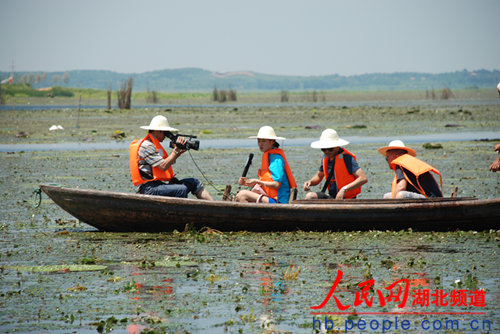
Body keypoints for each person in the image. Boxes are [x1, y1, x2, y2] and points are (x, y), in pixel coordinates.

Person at [129, 115, 213, 200]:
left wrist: (179, 152)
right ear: (158, 131)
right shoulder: (147, 146)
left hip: (158, 185)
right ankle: (180, 212)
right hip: (149, 189)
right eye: (165, 132)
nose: (166, 136)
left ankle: (214, 206)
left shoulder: (154, 145)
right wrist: (175, 151)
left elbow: (166, 162)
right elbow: (163, 166)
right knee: (181, 189)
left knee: (194, 182)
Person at [236, 126, 297, 203]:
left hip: (279, 201)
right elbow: (266, 183)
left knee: (242, 194)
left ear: (272, 142)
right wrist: (246, 183)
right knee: (240, 195)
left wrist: (257, 181)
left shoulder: (276, 160)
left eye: (263, 141)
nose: (260, 144)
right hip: (269, 197)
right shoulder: (268, 156)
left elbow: (277, 184)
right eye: (259, 141)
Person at [303, 129, 367, 199]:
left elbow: (363, 178)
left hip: (347, 198)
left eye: (330, 149)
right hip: (332, 196)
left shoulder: (347, 158)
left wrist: (344, 189)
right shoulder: (325, 158)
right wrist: (310, 182)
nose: (327, 152)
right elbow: (319, 176)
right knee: (310, 196)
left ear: (337, 146)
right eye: (324, 149)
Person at [378, 140, 443, 199]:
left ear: (394, 156)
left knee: (400, 195)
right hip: (426, 196)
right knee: (386, 196)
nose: (387, 161)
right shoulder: (406, 162)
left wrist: (392, 202)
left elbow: (401, 186)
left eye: (387, 158)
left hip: (430, 198)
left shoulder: (400, 163)